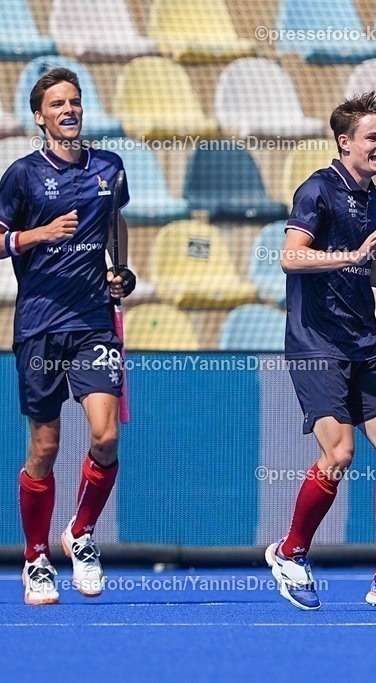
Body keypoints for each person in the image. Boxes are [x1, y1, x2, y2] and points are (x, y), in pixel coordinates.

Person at [265, 92, 376, 611]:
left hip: (363, 345)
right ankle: (290, 552)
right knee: (340, 454)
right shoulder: (317, 190)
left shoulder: (374, 199)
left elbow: (370, 268)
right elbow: (291, 258)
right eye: (373, 137)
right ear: (344, 142)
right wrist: (352, 255)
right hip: (316, 346)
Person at [0, 67, 135, 605]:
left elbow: (114, 222)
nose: (69, 110)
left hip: (93, 323)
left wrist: (120, 269)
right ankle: (36, 558)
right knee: (45, 446)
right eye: (57, 104)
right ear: (40, 116)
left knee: (105, 437)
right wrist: (38, 234)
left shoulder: (109, 166)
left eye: (74, 101)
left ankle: (80, 532)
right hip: (39, 326)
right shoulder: (22, 175)